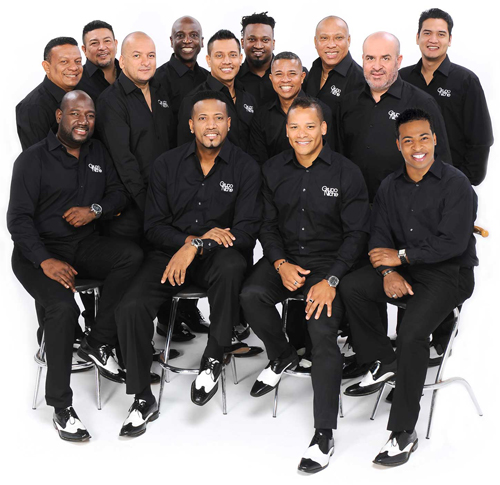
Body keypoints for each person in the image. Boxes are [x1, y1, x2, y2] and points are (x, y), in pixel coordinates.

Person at [115, 91, 262, 437]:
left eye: (218, 119)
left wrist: (198, 245)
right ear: (191, 125)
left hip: (218, 257)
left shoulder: (246, 167)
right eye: (203, 119)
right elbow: (153, 227)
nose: (211, 125)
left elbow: (245, 232)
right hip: (170, 255)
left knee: (232, 266)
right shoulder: (166, 164)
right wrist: (186, 244)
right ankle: (141, 397)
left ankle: (213, 357)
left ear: (229, 124)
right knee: (130, 307)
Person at [340, 108, 477, 466]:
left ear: (435, 140)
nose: (417, 147)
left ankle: (403, 433)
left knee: (413, 333)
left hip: (449, 273)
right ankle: (386, 361)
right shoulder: (390, 185)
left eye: (424, 138)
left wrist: (400, 257)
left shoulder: (456, 183)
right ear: (398, 145)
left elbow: (453, 244)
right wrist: (388, 272)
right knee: (353, 287)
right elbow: (378, 237)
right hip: (405, 269)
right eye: (409, 140)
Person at [240, 97, 370, 473]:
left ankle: (323, 433)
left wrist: (332, 279)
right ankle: (282, 354)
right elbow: (266, 224)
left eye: (310, 126)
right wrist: (279, 264)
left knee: (322, 333)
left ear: (323, 128)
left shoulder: (347, 172)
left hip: (328, 265)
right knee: (250, 295)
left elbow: (357, 234)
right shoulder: (272, 169)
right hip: (285, 259)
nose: (302, 134)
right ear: (286, 131)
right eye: (295, 127)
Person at [8, 91, 143, 441]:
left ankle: (98, 342)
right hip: (37, 252)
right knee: (63, 309)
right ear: (59, 116)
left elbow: (118, 193)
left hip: (82, 245)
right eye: (75, 114)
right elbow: (17, 220)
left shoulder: (97, 153)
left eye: (90, 115)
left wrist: (94, 211)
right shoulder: (32, 160)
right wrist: (45, 260)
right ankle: (61, 407)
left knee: (131, 256)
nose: (83, 121)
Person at [337, 31, 451, 201]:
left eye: (385, 58)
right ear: (363, 60)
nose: (376, 66)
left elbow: (442, 163)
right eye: (370, 58)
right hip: (355, 204)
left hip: (406, 206)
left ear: (398, 61)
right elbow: (339, 157)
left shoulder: (422, 103)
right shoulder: (348, 103)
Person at [399, 8, 493, 186]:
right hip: (408, 182)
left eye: (441, 34)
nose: (433, 40)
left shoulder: (466, 81)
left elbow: (480, 139)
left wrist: (461, 182)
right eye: (427, 33)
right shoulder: (402, 78)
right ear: (417, 37)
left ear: (449, 40)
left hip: (451, 182)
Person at [96, 31, 174, 243]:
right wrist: (150, 208)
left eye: (151, 55)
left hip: (166, 201)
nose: (145, 62)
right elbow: (123, 161)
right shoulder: (111, 101)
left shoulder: (160, 92)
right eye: (137, 56)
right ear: (122, 61)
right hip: (132, 208)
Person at [248, 51, 335, 164]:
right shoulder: (261, 116)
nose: (285, 79)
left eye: (292, 73)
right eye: (279, 74)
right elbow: (258, 161)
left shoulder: (321, 111)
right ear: (271, 78)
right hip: (273, 175)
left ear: (302, 77)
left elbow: (328, 157)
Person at [177, 29, 256, 151]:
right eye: (219, 55)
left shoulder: (249, 98)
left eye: (232, 55)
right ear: (208, 60)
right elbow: (184, 150)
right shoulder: (193, 101)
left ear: (240, 58)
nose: (227, 61)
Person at [16, 37, 83, 150]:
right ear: (47, 67)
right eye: (64, 62)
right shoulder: (33, 107)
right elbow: (37, 157)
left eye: (78, 61)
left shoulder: (83, 95)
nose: (74, 67)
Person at [304, 16, 364, 114]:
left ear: (348, 40)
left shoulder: (360, 80)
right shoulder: (315, 68)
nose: (331, 45)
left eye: (338, 38)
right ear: (315, 42)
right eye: (324, 38)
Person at [155, 16, 208, 120]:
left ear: (201, 41)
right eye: (180, 35)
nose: (187, 40)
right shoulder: (157, 79)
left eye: (194, 35)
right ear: (172, 41)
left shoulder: (208, 78)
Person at [237, 11, 276, 106]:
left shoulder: (294, 76)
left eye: (265, 40)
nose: (258, 46)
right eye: (252, 39)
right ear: (242, 42)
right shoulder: (233, 78)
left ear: (273, 43)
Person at [77, 20, 121, 103]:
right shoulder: (76, 80)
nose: (102, 47)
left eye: (107, 41)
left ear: (115, 44)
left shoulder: (130, 74)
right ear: (84, 50)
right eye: (94, 43)